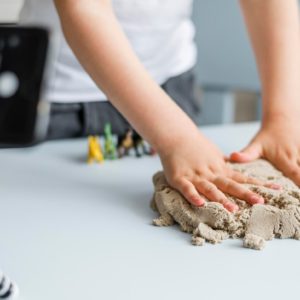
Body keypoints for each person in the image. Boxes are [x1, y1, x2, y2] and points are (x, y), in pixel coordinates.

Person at [19, 0, 300, 212]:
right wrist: (177, 137)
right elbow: (83, 8)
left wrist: (282, 115)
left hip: (170, 93)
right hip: (59, 102)